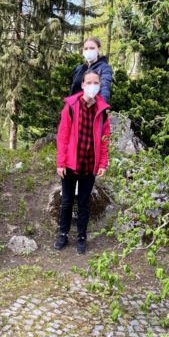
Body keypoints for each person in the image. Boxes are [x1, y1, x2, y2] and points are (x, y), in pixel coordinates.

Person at [54, 69, 110, 254]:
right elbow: (63, 135)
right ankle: (63, 234)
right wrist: (61, 162)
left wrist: (102, 163)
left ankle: (82, 236)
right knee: (67, 201)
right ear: (83, 85)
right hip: (71, 163)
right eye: (89, 83)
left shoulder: (103, 111)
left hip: (89, 164)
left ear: (99, 85)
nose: (93, 86)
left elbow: (105, 139)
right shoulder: (71, 106)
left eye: (96, 83)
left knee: (85, 202)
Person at [70, 36, 112, 103]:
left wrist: (102, 105)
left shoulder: (104, 68)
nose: (88, 51)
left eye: (92, 48)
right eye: (86, 48)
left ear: (98, 49)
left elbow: (105, 87)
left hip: (92, 107)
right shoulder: (79, 68)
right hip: (75, 106)